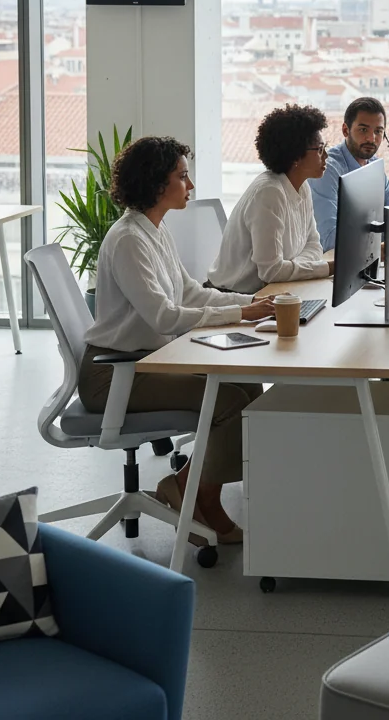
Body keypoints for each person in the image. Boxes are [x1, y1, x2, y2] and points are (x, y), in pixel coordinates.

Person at [80, 137, 276, 544]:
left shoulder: (153, 228)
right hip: (115, 373)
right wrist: (241, 314)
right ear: (156, 183)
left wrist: (252, 302)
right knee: (227, 398)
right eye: (182, 176)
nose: (191, 185)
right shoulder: (129, 240)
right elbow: (164, 316)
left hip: (148, 360)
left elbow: (188, 292)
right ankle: (189, 489)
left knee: (246, 384)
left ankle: (196, 492)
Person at [208, 104, 333, 293]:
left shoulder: (302, 186)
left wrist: (291, 268)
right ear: (295, 156)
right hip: (236, 297)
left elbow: (314, 245)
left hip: (276, 289)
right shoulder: (269, 193)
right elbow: (272, 271)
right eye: (320, 149)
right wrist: (327, 268)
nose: (326, 155)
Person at [310, 96, 389, 252]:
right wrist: (388, 236)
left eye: (378, 131)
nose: (371, 138)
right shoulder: (327, 170)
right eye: (363, 130)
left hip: (364, 259)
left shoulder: (374, 165)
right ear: (345, 130)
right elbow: (329, 241)